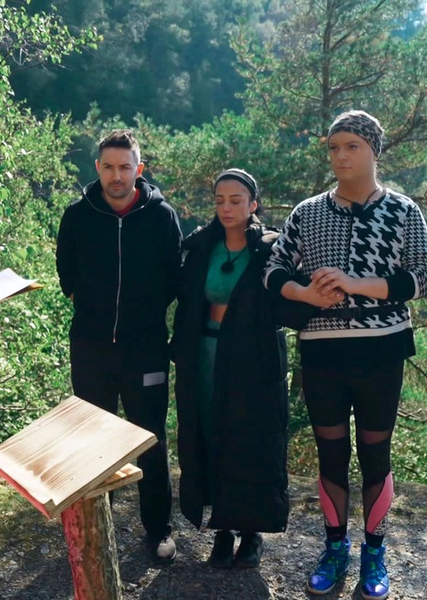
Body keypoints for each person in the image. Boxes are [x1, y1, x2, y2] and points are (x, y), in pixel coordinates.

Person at [263, 110, 427, 599]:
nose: (340, 155)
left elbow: (422, 276)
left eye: (351, 146)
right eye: (334, 147)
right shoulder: (307, 211)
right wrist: (303, 294)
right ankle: (334, 546)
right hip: (322, 354)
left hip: (382, 352)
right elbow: (273, 269)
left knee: (375, 456)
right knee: (331, 455)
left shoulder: (404, 211)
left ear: (373, 151)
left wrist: (359, 285)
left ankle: (375, 553)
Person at [55, 129, 183, 564]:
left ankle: (159, 529)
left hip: (145, 347)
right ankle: (95, 529)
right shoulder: (78, 215)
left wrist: (141, 316)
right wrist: (94, 313)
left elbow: (173, 276)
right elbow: (66, 274)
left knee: (149, 437)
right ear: (98, 169)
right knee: (92, 437)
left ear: (138, 170)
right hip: (90, 348)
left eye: (125, 167)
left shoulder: (161, 216)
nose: (116, 175)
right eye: (108, 167)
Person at [171, 168, 291, 568]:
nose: (226, 207)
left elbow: (287, 299)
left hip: (251, 360)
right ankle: (221, 529)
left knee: (250, 439)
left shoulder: (270, 249)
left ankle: (252, 533)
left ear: (253, 205)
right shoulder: (202, 247)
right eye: (220, 200)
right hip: (206, 354)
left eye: (236, 200)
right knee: (210, 433)